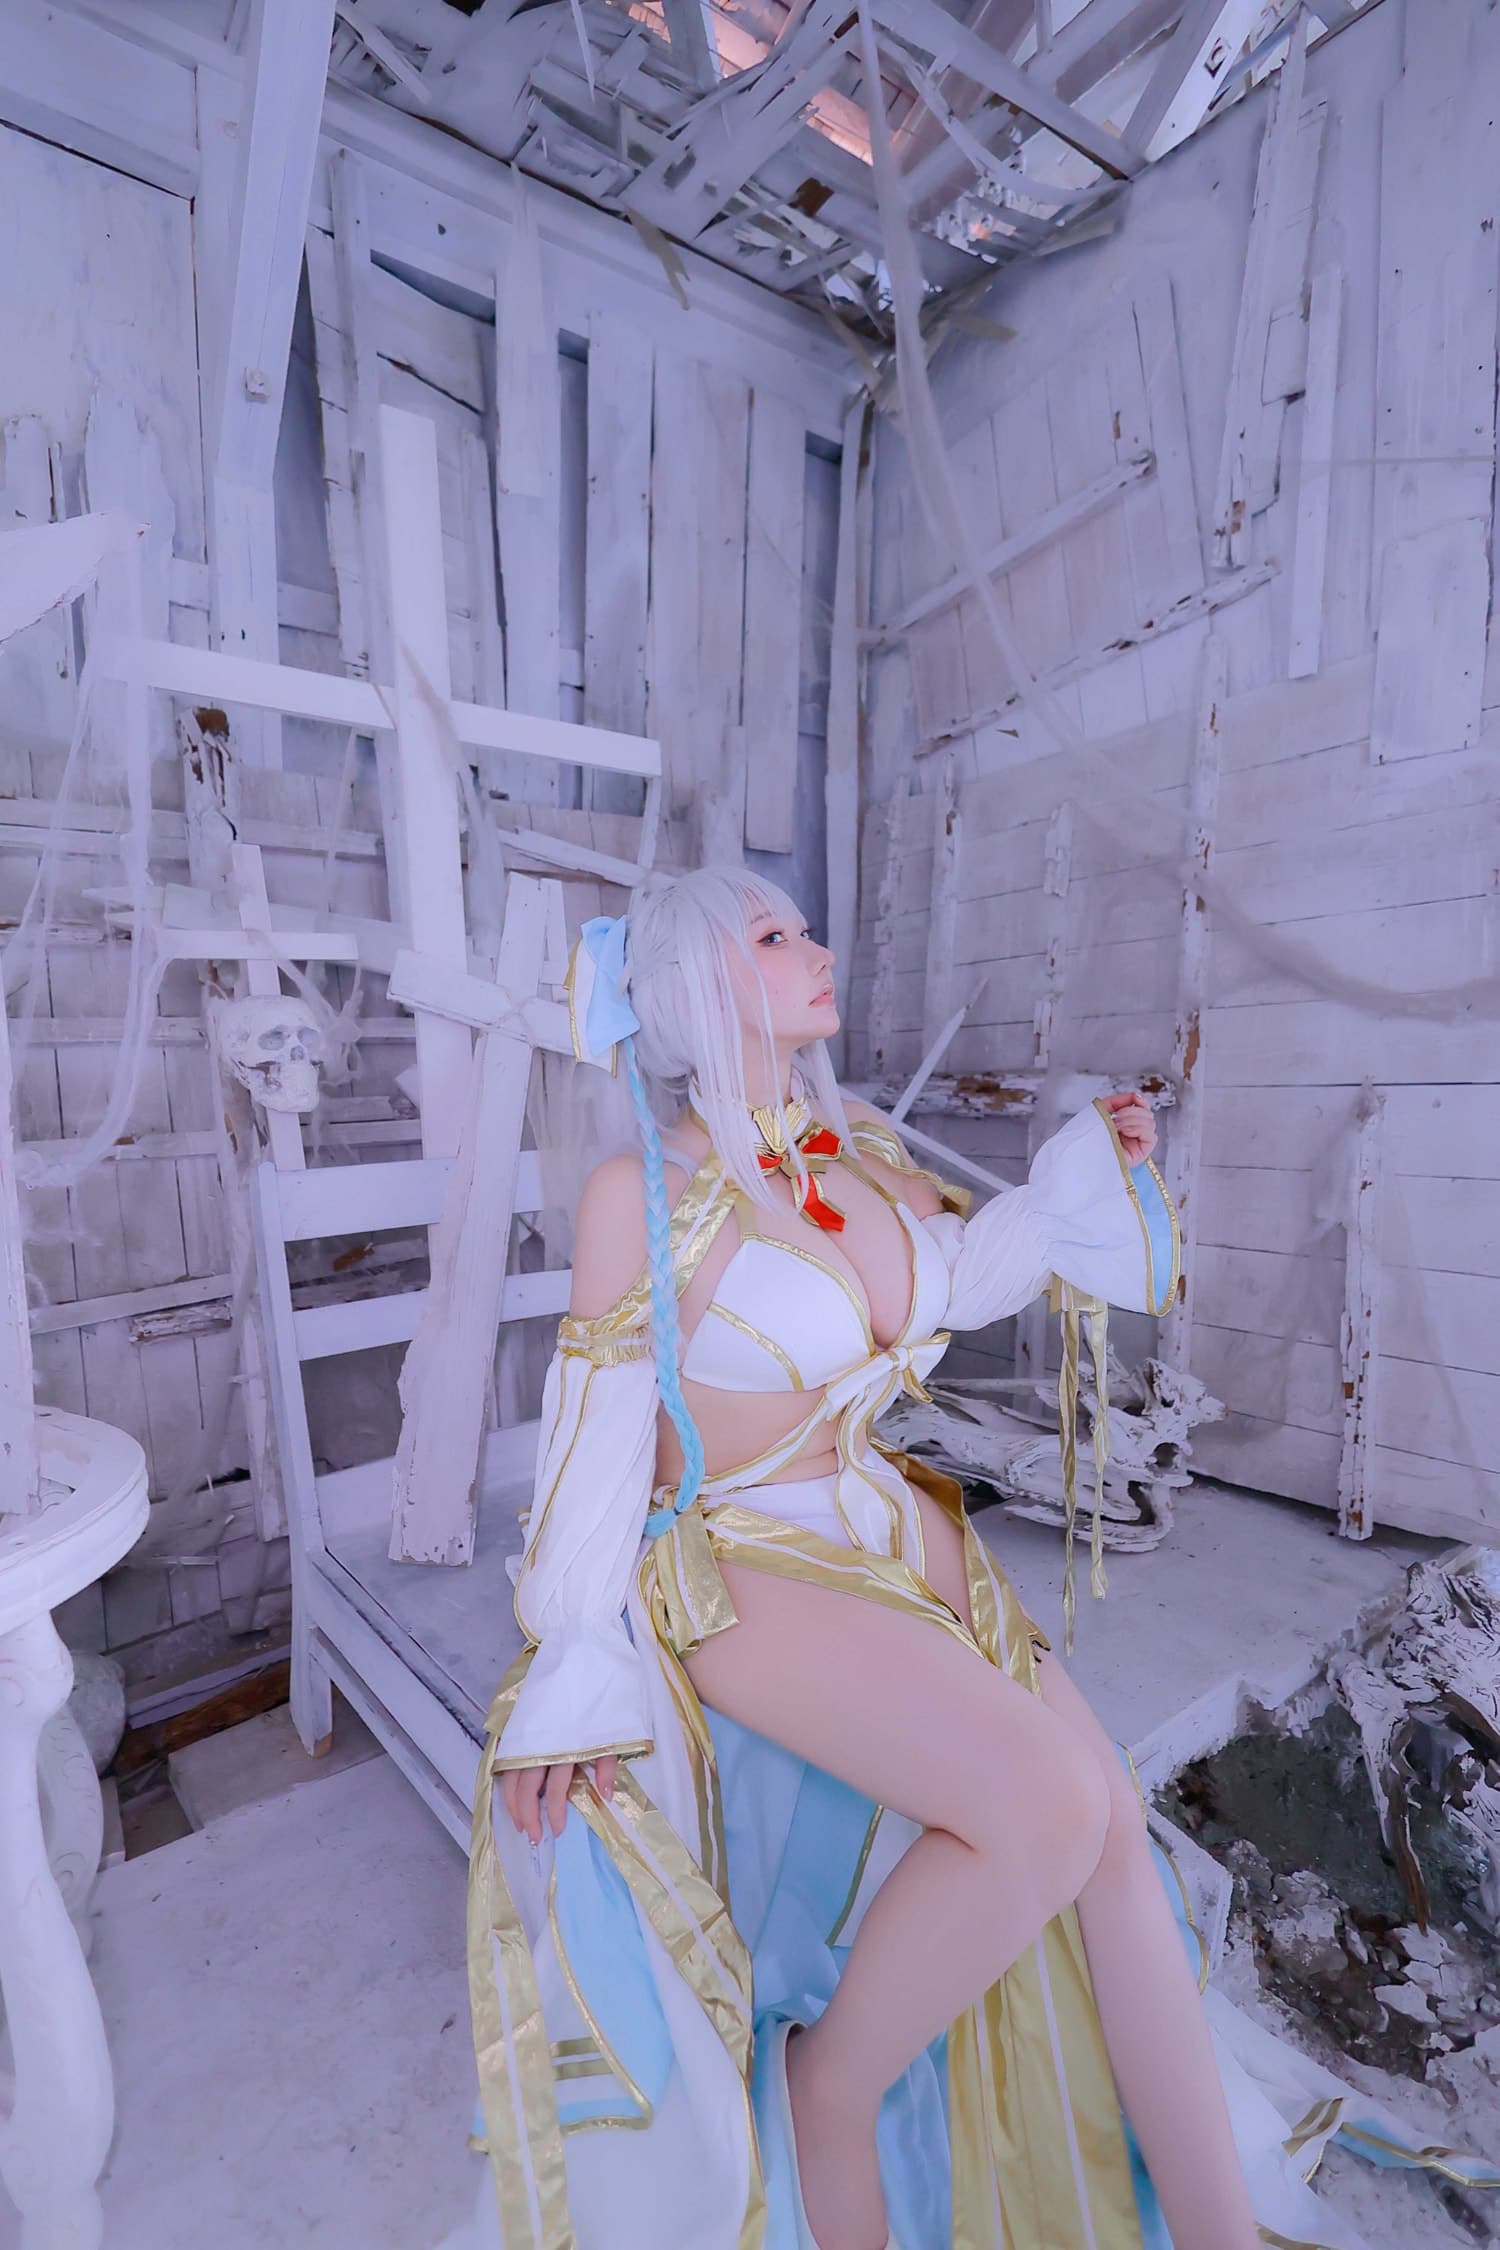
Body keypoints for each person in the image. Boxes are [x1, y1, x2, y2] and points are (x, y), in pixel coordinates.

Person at [451, 867, 1489, 2250]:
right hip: (742, 1551)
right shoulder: (643, 1191)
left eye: (804, 925)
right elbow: (593, 1433)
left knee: (1113, 1834)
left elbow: (970, 1271)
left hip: (887, 1522)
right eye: (775, 935)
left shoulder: (854, 1144)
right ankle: (831, 2091)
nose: (816, 947)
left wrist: (1081, 1176)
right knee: (1048, 1805)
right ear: (699, 985)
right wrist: (567, 1664)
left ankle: (1220, 2230)